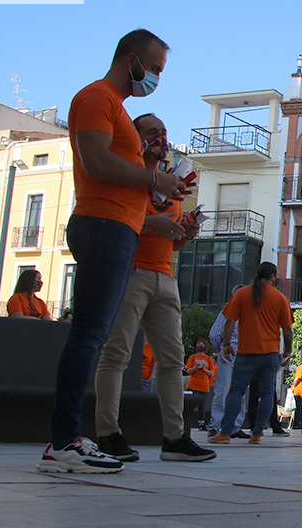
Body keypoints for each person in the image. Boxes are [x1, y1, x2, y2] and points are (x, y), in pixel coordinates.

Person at [39, 28, 188, 475]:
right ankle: (64, 440)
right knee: (90, 337)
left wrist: (157, 185)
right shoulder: (97, 98)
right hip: (103, 225)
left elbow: (116, 167)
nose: (156, 78)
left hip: (118, 227)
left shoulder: (118, 109)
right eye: (154, 69)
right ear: (131, 61)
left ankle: (68, 438)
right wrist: (154, 180)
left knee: (93, 336)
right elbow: (95, 161)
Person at [92, 112, 213, 464]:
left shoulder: (172, 187)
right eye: (152, 132)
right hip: (130, 273)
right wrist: (151, 223)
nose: (160, 139)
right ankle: (107, 433)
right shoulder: (124, 176)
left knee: (173, 361)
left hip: (165, 277)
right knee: (116, 354)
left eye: (163, 132)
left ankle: (174, 439)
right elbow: (114, 223)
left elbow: (172, 243)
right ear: (135, 137)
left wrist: (185, 233)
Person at [208, 262, 294, 446]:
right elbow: (287, 330)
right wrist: (288, 350)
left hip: (246, 352)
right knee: (267, 393)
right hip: (269, 353)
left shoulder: (241, 293)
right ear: (272, 276)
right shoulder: (280, 298)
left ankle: (225, 432)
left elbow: (229, 321)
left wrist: (226, 345)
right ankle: (257, 434)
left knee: (236, 391)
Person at [207, 284, 247, 439]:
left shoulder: (246, 313)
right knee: (222, 391)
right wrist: (223, 348)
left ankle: (235, 426)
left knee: (239, 393)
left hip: (242, 357)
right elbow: (214, 334)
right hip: (230, 356)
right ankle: (216, 425)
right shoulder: (227, 312)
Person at [184, 339, 216, 430]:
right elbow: (188, 370)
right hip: (193, 384)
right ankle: (187, 421)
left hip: (204, 384)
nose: (200, 346)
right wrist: (196, 367)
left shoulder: (208, 359)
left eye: (202, 345)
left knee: (202, 405)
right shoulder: (192, 357)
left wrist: (204, 369)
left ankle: (201, 423)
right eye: (198, 344)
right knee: (190, 404)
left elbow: (211, 373)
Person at [290, 364, 302, 430]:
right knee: (299, 408)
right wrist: (294, 386)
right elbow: (297, 378)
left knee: (299, 408)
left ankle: (298, 423)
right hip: (299, 391)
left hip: (301, 391)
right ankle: (296, 423)